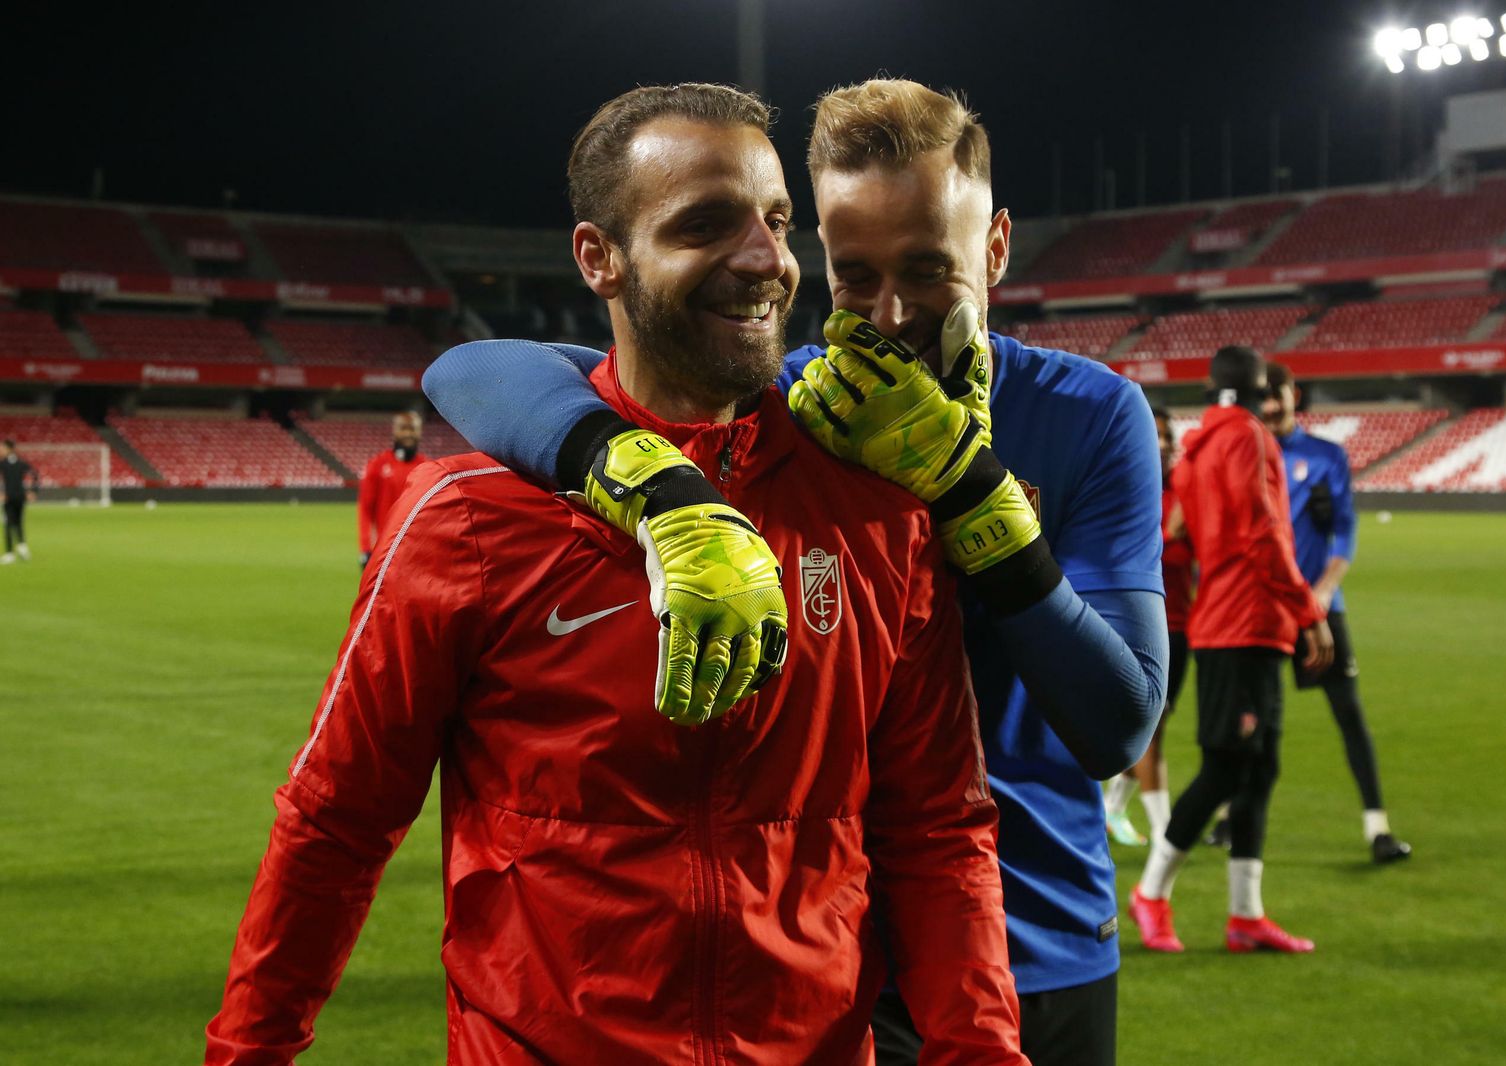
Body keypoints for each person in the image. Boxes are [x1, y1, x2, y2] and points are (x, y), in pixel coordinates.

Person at [206, 84, 1025, 1064]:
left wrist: (983, 1052)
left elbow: (938, 831)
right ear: (599, 258)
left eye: (775, 221)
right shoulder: (466, 520)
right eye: (705, 225)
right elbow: (333, 826)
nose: (766, 259)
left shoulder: (875, 513)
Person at [423, 79, 1167, 1066]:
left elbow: (1116, 724)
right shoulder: (788, 403)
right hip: (836, 953)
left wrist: (970, 493)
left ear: (994, 249)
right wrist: (653, 482)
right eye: (856, 275)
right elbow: (472, 373)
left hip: (1040, 936)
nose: (892, 313)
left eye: (927, 269)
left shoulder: (1088, 414)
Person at [1128, 345, 1333, 956]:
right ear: (1265, 388)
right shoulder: (1246, 437)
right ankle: (1151, 893)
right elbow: (1261, 529)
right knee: (1227, 765)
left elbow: (1186, 529)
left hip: (1235, 623)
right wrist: (1309, 612)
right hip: (1245, 623)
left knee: (1258, 766)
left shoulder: (1199, 445)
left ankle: (1246, 914)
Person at [1263, 362, 1411, 864]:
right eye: (1262, 396)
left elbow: (1345, 531)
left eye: (1277, 394)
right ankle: (1228, 820)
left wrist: (1323, 592)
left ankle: (1378, 827)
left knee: (1350, 716)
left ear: (1293, 395)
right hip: (1264, 611)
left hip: (1321, 607)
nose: (1270, 404)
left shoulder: (1326, 456)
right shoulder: (1249, 454)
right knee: (1257, 724)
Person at [1103, 405, 1190, 847]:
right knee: (1150, 726)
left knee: (1159, 724)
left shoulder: (1183, 491)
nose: (1161, 443)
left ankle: (1112, 806)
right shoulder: (1128, 487)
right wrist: (1172, 535)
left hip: (1182, 624)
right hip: (1138, 624)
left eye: (1167, 436)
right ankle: (1164, 833)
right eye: (1154, 434)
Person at [356, 411, 426, 568]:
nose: (408, 433)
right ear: (395, 431)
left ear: (419, 432)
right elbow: (365, 509)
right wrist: (365, 548)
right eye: (403, 428)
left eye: (412, 428)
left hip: (417, 553)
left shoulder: (427, 467)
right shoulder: (377, 465)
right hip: (384, 552)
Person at [2, 438, 40, 564]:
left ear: (9, 449)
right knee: (18, 522)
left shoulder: (3, 463)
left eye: (3, 448)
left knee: (8, 524)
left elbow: (35, 475)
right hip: (20, 497)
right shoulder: (22, 463)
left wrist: (1, 493)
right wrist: (33, 491)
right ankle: (22, 547)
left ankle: (9, 554)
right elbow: (35, 475)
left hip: (9, 498)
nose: (1, 450)